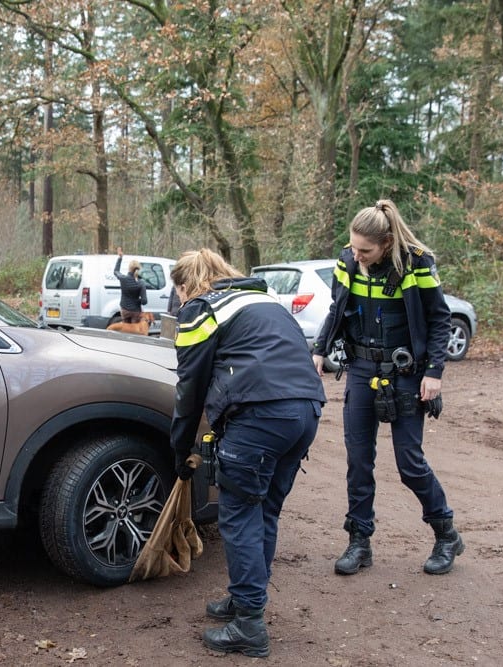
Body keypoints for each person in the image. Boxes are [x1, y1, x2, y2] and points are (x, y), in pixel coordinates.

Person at [170, 248, 326, 658]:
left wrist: (180, 446)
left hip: (260, 416)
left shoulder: (200, 309)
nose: (179, 301)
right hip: (306, 411)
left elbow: (189, 387)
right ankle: (246, 602)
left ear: (187, 285)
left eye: (178, 292)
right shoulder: (262, 299)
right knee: (265, 511)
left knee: (237, 514)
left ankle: (249, 627)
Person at [312, 200, 464, 577]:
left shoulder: (416, 263)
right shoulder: (347, 261)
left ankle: (446, 534)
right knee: (358, 461)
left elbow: (439, 319)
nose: (358, 256)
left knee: (409, 464)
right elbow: (337, 307)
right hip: (362, 369)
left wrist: (434, 372)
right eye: (354, 248)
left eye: (366, 250)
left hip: (407, 372)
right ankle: (359, 541)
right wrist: (319, 348)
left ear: (387, 242)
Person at [114, 247, 148, 323]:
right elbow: (144, 301)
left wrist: (120, 258)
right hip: (136, 311)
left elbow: (116, 271)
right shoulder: (141, 283)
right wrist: (136, 300)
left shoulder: (123, 279)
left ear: (129, 268)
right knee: (134, 331)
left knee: (126, 329)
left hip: (124, 310)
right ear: (138, 269)